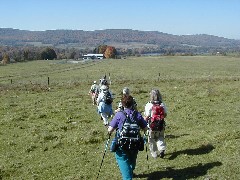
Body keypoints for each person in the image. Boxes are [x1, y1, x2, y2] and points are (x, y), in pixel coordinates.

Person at [108, 95, 148, 180]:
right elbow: (145, 128)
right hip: (135, 143)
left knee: (122, 159)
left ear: (122, 104)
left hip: (121, 144)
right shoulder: (137, 114)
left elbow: (110, 130)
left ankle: (128, 177)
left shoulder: (119, 114)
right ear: (133, 103)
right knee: (132, 159)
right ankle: (131, 170)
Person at [144, 89, 167, 158]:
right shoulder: (162, 104)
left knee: (151, 139)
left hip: (151, 126)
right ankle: (162, 149)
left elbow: (147, 116)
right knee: (160, 137)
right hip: (161, 125)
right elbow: (165, 114)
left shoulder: (149, 104)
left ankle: (154, 153)